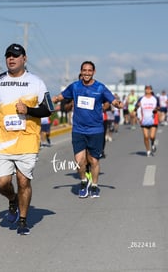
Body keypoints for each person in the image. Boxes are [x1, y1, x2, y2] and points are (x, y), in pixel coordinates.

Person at [0, 43, 53, 235]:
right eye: (8, 56)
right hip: (4, 141)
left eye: (15, 55)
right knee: (1, 183)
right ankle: (12, 199)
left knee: (23, 181)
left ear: (24, 58)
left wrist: (29, 110)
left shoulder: (36, 82)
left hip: (27, 139)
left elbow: (48, 108)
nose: (11, 59)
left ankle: (22, 220)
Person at [52, 61, 123, 198]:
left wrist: (117, 104)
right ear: (81, 71)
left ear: (94, 72)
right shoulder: (75, 86)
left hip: (95, 130)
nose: (87, 73)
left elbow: (112, 100)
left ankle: (95, 186)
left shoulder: (100, 88)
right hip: (78, 129)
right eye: (84, 70)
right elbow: (61, 96)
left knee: (93, 160)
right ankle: (84, 182)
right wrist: (53, 99)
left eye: (89, 70)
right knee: (79, 160)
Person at [134, 85, 159, 157]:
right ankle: (148, 151)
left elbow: (158, 107)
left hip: (153, 119)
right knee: (146, 136)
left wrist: (156, 109)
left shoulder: (155, 98)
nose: (147, 90)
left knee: (152, 136)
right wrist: (137, 107)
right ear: (145, 90)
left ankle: (153, 143)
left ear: (151, 90)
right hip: (144, 120)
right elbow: (136, 108)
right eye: (146, 89)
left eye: (149, 89)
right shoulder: (141, 99)